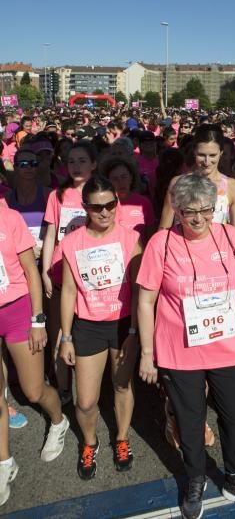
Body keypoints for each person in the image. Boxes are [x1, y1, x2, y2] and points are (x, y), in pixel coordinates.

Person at [138, 174, 235, 519]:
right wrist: (148, 354)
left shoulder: (230, 236)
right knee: (189, 422)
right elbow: (146, 300)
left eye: (206, 210)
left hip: (227, 346)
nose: (199, 219)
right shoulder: (160, 243)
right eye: (190, 212)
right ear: (176, 211)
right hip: (179, 351)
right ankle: (196, 477)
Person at [60, 177, 142, 479]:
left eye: (110, 204)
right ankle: (90, 442)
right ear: (85, 208)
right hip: (88, 326)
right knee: (85, 400)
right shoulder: (72, 242)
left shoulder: (130, 238)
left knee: (122, 385)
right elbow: (68, 291)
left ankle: (121, 438)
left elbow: (138, 289)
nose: (105, 212)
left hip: (122, 325)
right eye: (97, 207)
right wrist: (66, 337)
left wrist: (135, 332)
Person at [0, 206, 69, 506]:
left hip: (16, 309)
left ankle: (58, 421)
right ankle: (4, 463)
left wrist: (37, 320)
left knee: (32, 390)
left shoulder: (9, 218)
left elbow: (30, 270)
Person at [42, 141, 97, 403]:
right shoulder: (57, 195)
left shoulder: (101, 193)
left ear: (94, 164)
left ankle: (91, 387)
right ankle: (63, 387)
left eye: (82, 161)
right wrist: (44, 270)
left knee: (86, 334)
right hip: (60, 272)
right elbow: (51, 233)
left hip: (90, 275)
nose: (76, 166)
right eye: (72, 161)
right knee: (59, 332)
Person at [159, 125, 235, 231]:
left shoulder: (233, 187)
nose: (207, 162)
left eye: (212, 155)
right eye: (201, 155)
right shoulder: (177, 183)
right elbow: (163, 229)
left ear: (221, 153)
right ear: (194, 151)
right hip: (180, 246)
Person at [100, 156, 155, 241]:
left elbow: (151, 238)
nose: (120, 182)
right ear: (108, 182)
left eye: (124, 177)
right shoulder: (102, 205)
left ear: (131, 178)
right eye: (115, 179)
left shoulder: (144, 203)